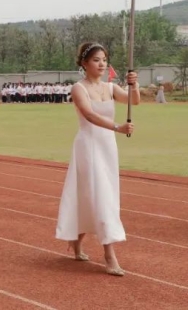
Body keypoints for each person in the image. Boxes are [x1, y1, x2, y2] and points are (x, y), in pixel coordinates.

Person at [55, 42, 139, 277]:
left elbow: (134, 101)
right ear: (84, 63)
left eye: (104, 59)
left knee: (95, 196)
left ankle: (76, 240)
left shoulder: (111, 87)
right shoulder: (78, 88)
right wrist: (117, 127)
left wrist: (134, 84)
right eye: (96, 60)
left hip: (107, 147)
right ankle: (109, 255)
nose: (101, 64)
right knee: (99, 196)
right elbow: (89, 115)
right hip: (88, 146)